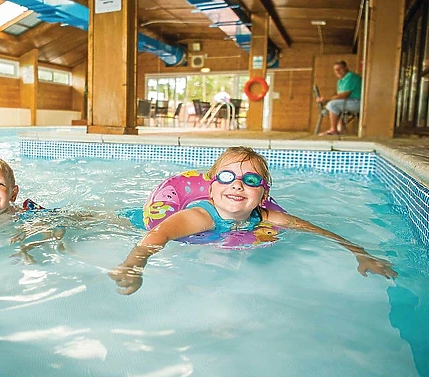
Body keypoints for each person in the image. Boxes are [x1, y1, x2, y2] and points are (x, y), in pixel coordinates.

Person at [110, 146, 397, 295]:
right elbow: (158, 236)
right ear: (211, 188)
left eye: (249, 180)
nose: (237, 186)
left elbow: (317, 230)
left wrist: (361, 254)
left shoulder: (266, 215)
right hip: (143, 221)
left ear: (262, 195)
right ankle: (77, 217)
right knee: (113, 221)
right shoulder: (198, 216)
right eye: (226, 177)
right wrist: (135, 264)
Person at [316, 60, 362, 136]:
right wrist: (326, 100)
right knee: (333, 104)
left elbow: (344, 95)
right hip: (350, 102)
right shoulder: (340, 81)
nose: (337, 71)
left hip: (358, 102)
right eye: (335, 70)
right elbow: (338, 96)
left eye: (339, 69)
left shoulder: (350, 76)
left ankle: (333, 130)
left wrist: (327, 100)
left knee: (332, 105)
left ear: (346, 68)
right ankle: (342, 128)